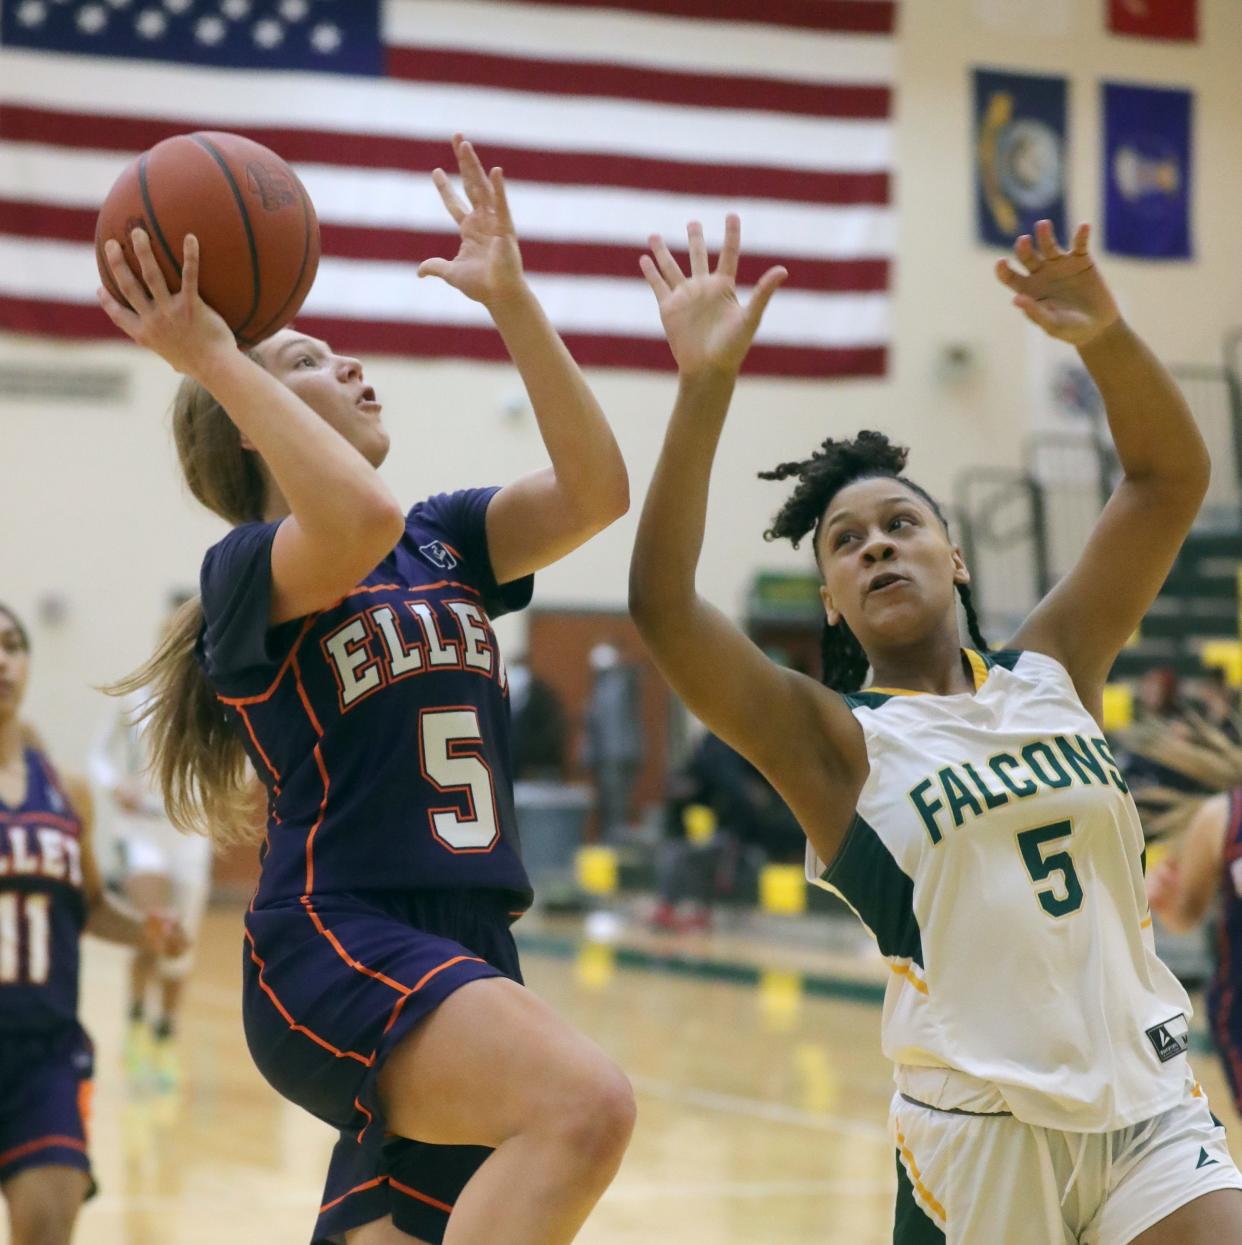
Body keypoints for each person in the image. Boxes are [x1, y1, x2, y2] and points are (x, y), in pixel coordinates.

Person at [629, 212, 1242, 1242]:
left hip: (1147, 1102)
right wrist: (705, 387)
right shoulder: (832, 742)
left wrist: (1104, 336)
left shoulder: (1055, 666)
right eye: (847, 542)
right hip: (982, 1137)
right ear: (828, 597)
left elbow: (1168, 479)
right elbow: (662, 607)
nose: (877, 548)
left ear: (954, 556)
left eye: (901, 525)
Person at [97, 134, 635, 1245]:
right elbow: (356, 521)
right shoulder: (248, 571)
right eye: (307, 364)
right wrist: (213, 353)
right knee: (585, 1107)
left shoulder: (445, 540)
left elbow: (596, 489)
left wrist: (514, 301)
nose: (345, 364)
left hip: (471, 939)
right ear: (255, 421)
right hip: (338, 937)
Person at [0, 602, 185, 1245]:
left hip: (45, 1052)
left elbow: (90, 907)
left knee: (49, 1225)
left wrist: (146, 931)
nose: (2, 659)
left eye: (12, 644)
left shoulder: (66, 791)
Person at [90, 596, 213, 1086]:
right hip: (141, 830)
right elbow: (99, 755)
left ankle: (165, 1030)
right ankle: (135, 1020)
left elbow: (239, 763)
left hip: (190, 833)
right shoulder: (136, 695)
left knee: (182, 940)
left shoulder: (213, 697)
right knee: (152, 924)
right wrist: (114, 783)